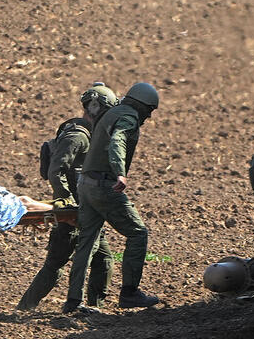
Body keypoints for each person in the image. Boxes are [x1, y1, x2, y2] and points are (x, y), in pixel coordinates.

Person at [16, 83, 119, 312]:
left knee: (103, 260)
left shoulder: (90, 135)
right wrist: (67, 202)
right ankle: (26, 307)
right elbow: (56, 170)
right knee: (56, 263)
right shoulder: (77, 137)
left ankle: (95, 307)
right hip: (74, 212)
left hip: (87, 209)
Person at [63, 82, 160, 313]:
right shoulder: (128, 116)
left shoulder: (112, 112)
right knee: (138, 233)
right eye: (149, 110)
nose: (148, 116)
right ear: (143, 105)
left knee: (86, 242)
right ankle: (129, 293)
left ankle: (73, 302)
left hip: (85, 183)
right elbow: (118, 141)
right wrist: (120, 172)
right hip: (103, 185)